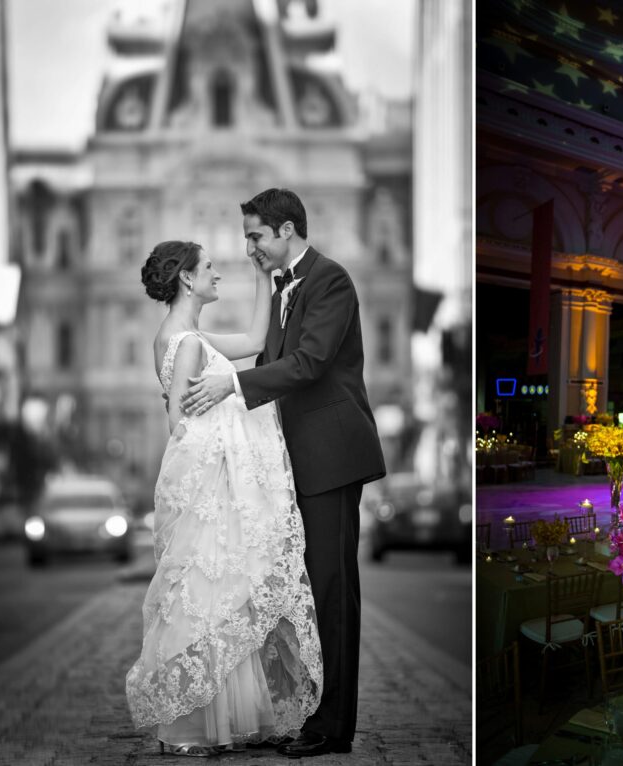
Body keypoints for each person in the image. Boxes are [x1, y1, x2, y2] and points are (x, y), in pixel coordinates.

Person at [180, 188, 386, 758]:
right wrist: (190, 347)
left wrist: (234, 384)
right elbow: (266, 356)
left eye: (256, 237)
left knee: (332, 590)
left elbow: (310, 362)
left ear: (288, 229)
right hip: (294, 457)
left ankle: (333, 729)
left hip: (333, 453)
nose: (249, 248)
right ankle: (317, 715)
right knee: (307, 593)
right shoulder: (278, 286)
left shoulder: (331, 280)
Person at [128, 241, 323, 756]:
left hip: (212, 481)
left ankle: (222, 718)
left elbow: (257, 342)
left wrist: (265, 278)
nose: (217, 274)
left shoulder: (177, 335)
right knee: (218, 594)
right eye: (209, 268)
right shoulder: (187, 342)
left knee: (214, 595)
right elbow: (181, 426)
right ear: (188, 280)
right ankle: (209, 722)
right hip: (212, 483)